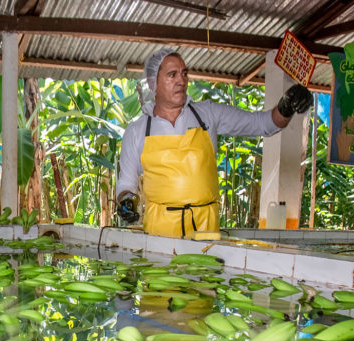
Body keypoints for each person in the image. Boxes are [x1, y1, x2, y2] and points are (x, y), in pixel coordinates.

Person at [115, 48, 313, 238]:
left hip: (205, 233)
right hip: (159, 235)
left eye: (184, 74)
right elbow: (126, 185)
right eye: (172, 75)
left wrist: (286, 106)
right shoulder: (137, 131)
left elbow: (262, 124)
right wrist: (126, 202)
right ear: (153, 83)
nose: (181, 81)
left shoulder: (208, 114)